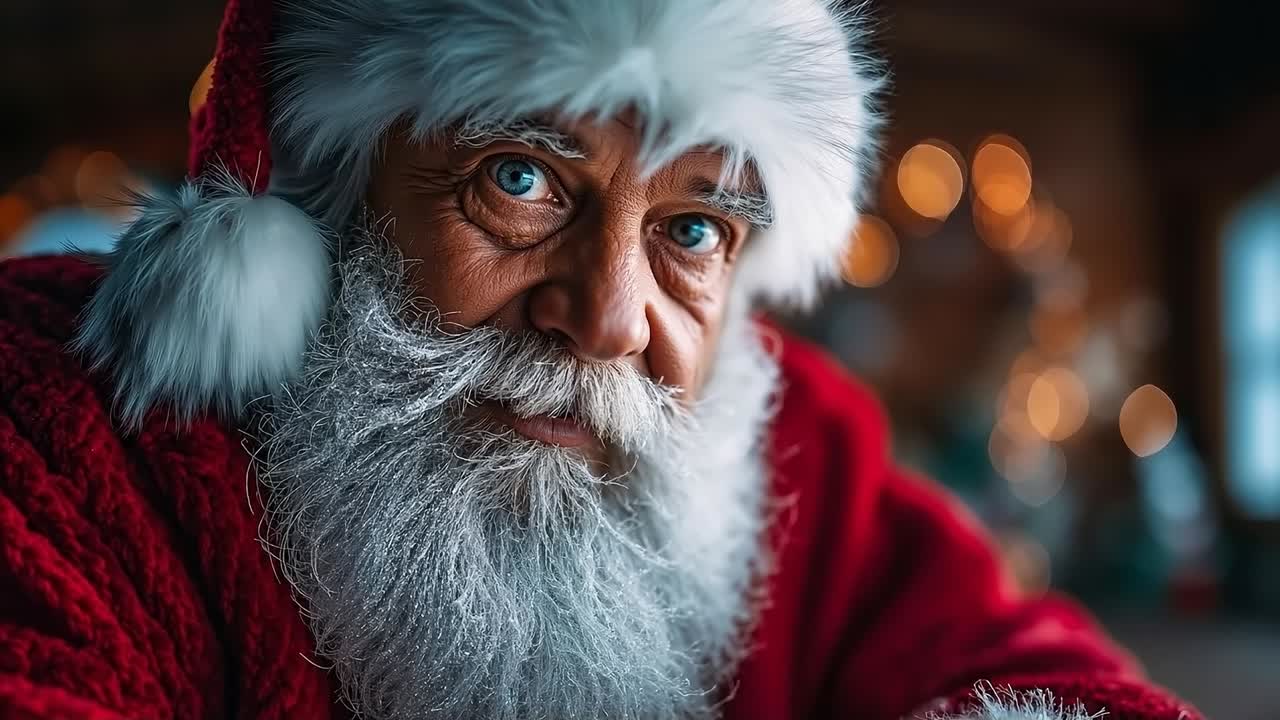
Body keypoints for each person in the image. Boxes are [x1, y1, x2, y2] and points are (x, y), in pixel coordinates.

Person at [0, 1, 1204, 718]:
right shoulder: (53, 420)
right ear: (313, 204)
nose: (612, 319)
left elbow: (1045, 676)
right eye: (517, 181)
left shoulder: (790, 447)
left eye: (692, 232)